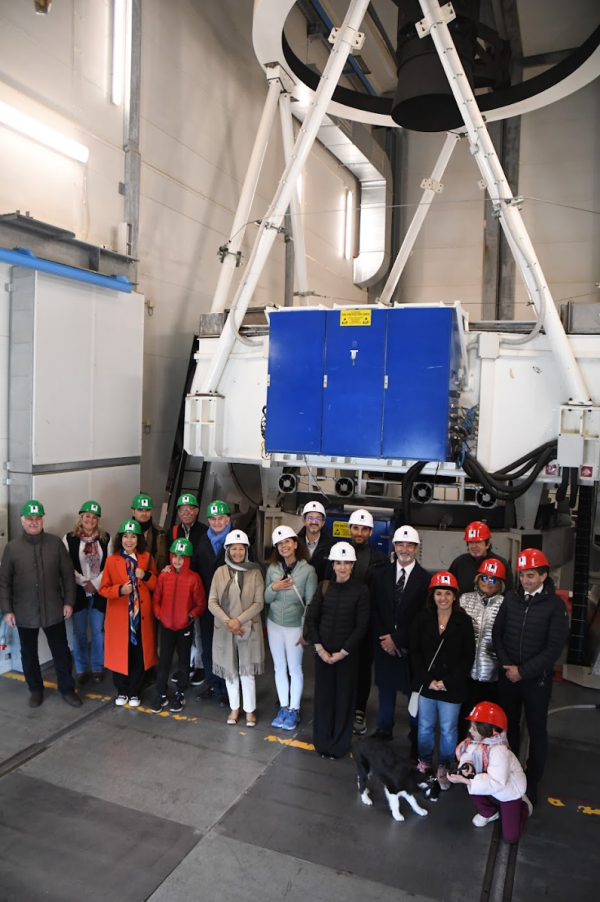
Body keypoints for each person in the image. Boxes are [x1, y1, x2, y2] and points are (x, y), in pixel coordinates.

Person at [492, 548, 569, 806]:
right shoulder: (511, 598)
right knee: (507, 728)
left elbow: (553, 649)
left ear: (544, 575)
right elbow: (497, 634)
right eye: (523, 575)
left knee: (536, 731)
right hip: (508, 678)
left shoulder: (555, 606)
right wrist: (507, 665)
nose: (525, 580)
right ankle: (508, 771)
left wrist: (522, 671)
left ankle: (531, 781)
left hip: (536, 681)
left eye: (531, 575)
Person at [0, 500, 81, 708]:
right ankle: (35, 689)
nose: (34, 522)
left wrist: (69, 601)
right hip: (24, 612)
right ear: (23, 521)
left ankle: (67, 689)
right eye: (30, 519)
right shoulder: (12, 548)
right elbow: (4, 582)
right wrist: (7, 610)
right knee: (28, 653)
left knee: (61, 651)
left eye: (37, 518)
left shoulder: (55, 544)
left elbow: (67, 575)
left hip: (53, 608)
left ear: (42, 520)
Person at [304, 542, 370, 758]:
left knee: (344, 700)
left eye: (347, 563)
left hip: (347, 658)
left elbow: (362, 626)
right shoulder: (323, 587)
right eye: (338, 562)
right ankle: (322, 743)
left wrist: (342, 653)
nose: (342, 567)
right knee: (323, 699)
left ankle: (339, 745)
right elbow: (311, 619)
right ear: (332, 564)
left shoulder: (361, 590)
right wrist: (320, 649)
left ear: (353, 565)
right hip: (323, 654)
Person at [410, 571, 475, 789]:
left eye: (447, 593)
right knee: (425, 727)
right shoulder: (422, 618)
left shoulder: (464, 621)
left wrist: (447, 681)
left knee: (448, 729)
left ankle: (445, 766)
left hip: (452, 687)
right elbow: (415, 653)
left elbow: (468, 657)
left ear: (455, 596)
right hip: (427, 685)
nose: (443, 598)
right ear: (433, 595)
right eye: (439, 593)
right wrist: (427, 680)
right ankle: (424, 761)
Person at [370, 525, 429, 754]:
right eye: (401, 544)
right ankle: (384, 730)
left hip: (410, 647)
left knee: (413, 694)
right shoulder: (380, 574)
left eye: (410, 545)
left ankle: (416, 738)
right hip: (383, 644)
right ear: (394, 547)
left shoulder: (425, 579)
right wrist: (385, 639)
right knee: (385, 690)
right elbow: (374, 609)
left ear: (416, 548)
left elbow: (423, 616)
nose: (405, 549)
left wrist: (398, 638)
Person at [447, 702, 533, 844]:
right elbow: (469, 754)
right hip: (489, 782)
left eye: (474, 728)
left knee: (511, 838)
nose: (470, 730)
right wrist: (467, 766)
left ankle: (522, 806)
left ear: (487, 730)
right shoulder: (477, 740)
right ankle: (488, 811)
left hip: (508, 790)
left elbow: (497, 783)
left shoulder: (499, 751)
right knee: (468, 781)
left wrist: (467, 780)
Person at [338, 509, 387, 737]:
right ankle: (342, 707)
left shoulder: (380, 559)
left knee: (363, 669)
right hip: (342, 622)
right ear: (350, 529)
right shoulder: (338, 554)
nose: (359, 532)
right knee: (341, 665)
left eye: (364, 529)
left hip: (366, 624)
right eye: (356, 528)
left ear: (370, 531)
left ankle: (359, 710)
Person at [208, 529, 265, 727]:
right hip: (226, 628)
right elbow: (212, 602)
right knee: (231, 670)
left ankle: (249, 710)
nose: (237, 553)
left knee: (247, 670)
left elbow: (258, 603)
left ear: (246, 550)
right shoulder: (220, 572)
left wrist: (238, 621)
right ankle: (235, 708)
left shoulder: (255, 572)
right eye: (234, 549)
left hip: (248, 627)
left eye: (241, 549)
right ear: (228, 550)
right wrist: (228, 622)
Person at [99, 519, 158, 707]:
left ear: (138, 539)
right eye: (125, 536)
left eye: (133, 536)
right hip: (120, 616)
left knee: (138, 654)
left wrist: (146, 575)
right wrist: (119, 590)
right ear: (120, 539)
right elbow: (103, 589)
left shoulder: (147, 558)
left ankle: (135, 691)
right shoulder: (111, 560)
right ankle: (122, 690)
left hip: (141, 616)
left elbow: (156, 585)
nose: (129, 540)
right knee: (120, 653)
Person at [264, 524, 317, 730]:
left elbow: (311, 602)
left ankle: (294, 709)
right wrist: (274, 587)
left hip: (296, 627)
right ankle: (284, 706)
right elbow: (266, 598)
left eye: (287, 541)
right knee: (279, 667)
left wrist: (305, 631)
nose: (284, 546)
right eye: (279, 543)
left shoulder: (308, 571)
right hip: (275, 624)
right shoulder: (273, 569)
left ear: (295, 543)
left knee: (295, 669)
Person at [151, 538, 206, 714]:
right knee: (164, 661)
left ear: (188, 559)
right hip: (166, 627)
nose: (177, 560)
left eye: (182, 557)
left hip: (184, 628)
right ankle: (161, 693)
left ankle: (180, 692)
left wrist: (190, 616)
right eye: (175, 556)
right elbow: (156, 599)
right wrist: (160, 614)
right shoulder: (164, 575)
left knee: (183, 662)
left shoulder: (194, 579)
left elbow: (200, 604)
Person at [63, 500, 112, 685]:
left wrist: (96, 583)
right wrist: (84, 583)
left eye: (94, 517)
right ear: (81, 517)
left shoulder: (105, 538)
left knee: (99, 631)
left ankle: (98, 667)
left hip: (99, 591)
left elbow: (109, 565)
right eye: (87, 516)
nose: (90, 520)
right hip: (78, 591)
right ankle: (82, 668)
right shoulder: (69, 539)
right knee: (79, 632)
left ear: (98, 520)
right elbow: (67, 566)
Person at [191, 500, 233, 702]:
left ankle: (229, 688)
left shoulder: (237, 541)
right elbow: (194, 571)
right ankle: (213, 684)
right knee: (208, 647)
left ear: (228, 519)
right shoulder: (203, 541)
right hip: (208, 604)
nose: (217, 522)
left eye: (221, 518)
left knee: (228, 648)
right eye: (213, 519)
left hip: (230, 607)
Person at [459, 558, 505, 723]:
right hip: (466, 671)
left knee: (487, 719)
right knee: (464, 715)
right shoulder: (465, 599)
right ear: (477, 578)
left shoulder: (505, 604)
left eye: (492, 579)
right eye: (483, 577)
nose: (487, 583)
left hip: (492, 674)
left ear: (500, 584)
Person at [170, 493, 208, 687]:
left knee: (198, 629)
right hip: (179, 588)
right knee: (183, 628)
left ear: (197, 511)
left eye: (190, 509)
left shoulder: (204, 531)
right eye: (182, 510)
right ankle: (187, 665)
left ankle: (200, 665)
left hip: (197, 585)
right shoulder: (174, 531)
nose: (186, 513)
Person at [449, 521, 513, 596]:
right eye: (471, 542)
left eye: (478, 542)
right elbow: (449, 588)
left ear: (487, 544)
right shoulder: (459, 562)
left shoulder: (501, 563)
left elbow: (510, 592)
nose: (474, 546)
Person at [297, 501, 334, 581]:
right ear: (304, 521)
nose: (314, 522)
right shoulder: (295, 543)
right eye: (310, 518)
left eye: (318, 518)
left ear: (323, 522)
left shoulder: (331, 546)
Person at [131, 493, 167, 574]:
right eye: (140, 510)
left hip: (152, 578)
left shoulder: (160, 533)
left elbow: (163, 560)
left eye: (147, 510)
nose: (144, 513)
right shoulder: (125, 532)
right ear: (133, 512)